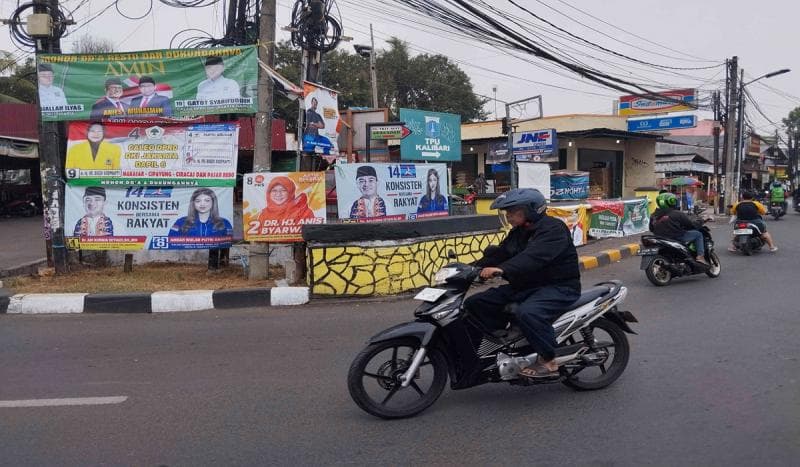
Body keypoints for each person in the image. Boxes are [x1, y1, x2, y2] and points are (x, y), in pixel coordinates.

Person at [464, 188, 581, 378]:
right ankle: (505, 342)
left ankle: (549, 360)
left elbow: (533, 257)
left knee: (528, 313)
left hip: (559, 288)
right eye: (507, 212)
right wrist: (468, 269)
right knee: (475, 303)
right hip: (526, 287)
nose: (508, 215)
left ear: (531, 209)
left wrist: (502, 269)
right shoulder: (519, 232)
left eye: (512, 211)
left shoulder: (553, 229)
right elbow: (501, 253)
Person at [649, 192, 708, 264]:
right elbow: (690, 225)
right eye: (674, 201)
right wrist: (702, 221)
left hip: (660, 239)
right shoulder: (677, 213)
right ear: (671, 202)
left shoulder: (653, 215)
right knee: (698, 234)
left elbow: (651, 228)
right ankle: (700, 256)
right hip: (676, 237)